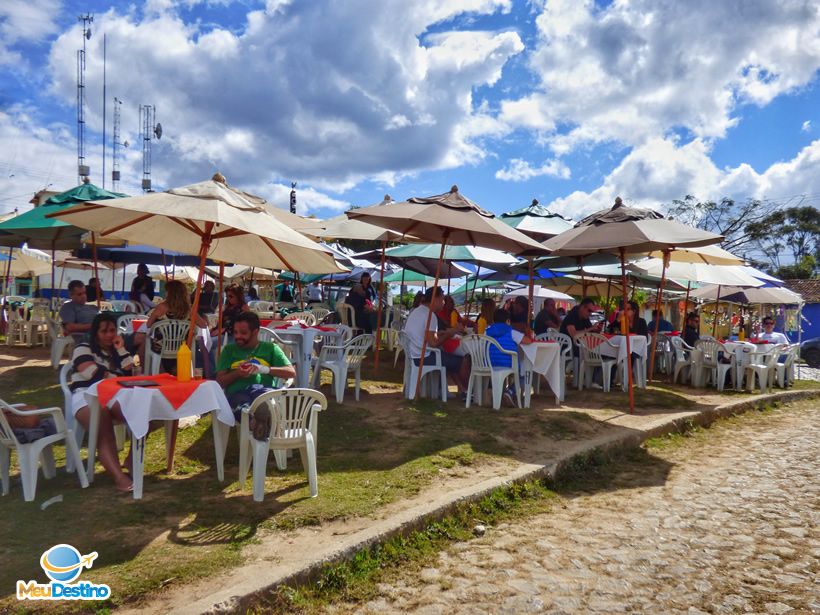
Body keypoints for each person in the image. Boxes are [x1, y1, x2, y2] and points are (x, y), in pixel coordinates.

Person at [67, 313, 135, 493]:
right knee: (102, 420)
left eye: (112, 330)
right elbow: (92, 373)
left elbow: (131, 374)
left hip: (113, 394)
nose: (109, 335)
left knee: (141, 413)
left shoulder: (115, 350)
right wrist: (117, 377)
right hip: (84, 396)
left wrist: (121, 350)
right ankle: (118, 476)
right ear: (95, 332)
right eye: (104, 331)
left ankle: (131, 460)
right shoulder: (82, 348)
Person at [216, 312, 296, 437]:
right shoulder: (229, 350)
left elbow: (291, 372)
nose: (238, 336)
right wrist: (238, 373)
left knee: (263, 397)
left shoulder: (270, 348)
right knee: (241, 404)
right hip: (238, 392)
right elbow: (220, 381)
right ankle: (259, 424)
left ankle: (260, 421)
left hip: (263, 390)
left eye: (243, 333)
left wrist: (264, 369)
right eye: (235, 332)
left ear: (255, 332)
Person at [403, 286, 470, 398]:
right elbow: (433, 343)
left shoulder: (417, 311)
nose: (443, 303)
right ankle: (469, 391)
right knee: (461, 360)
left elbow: (425, 335)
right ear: (435, 299)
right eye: (442, 300)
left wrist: (442, 333)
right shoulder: (430, 315)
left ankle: (455, 389)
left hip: (414, 353)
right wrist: (449, 334)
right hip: (423, 356)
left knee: (448, 357)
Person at [136, 280, 209, 371]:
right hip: (183, 347)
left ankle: (146, 371)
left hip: (161, 347)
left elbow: (148, 325)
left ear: (170, 293)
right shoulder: (189, 310)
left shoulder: (161, 307)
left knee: (142, 343)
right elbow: (203, 325)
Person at [486, 308, 532, 407]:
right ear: (508, 321)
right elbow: (527, 341)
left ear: (494, 320)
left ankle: (499, 393)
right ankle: (510, 391)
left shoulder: (487, 332)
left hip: (489, 363)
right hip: (508, 363)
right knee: (525, 372)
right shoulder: (511, 332)